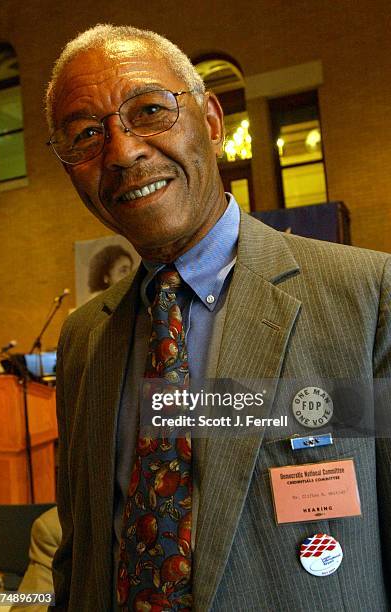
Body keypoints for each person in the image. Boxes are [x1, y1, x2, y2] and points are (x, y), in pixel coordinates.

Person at [46, 24, 391, 612]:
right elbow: (79, 556)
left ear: (210, 121)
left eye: (150, 110)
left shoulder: (367, 298)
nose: (123, 151)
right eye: (85, 134)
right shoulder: (85, 337)